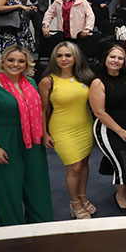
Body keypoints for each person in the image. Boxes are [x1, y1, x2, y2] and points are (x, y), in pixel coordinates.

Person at [0, 45, 53, 226]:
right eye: (11, 60)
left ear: (26, 64)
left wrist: (44, 133)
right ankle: (14, 231)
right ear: (3, 62)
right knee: (8, 189)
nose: (15, 64)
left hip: (32, 142)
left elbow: (38, 111)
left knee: (37, 185)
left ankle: (42, 226)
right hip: (4, 142)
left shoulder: (31, 83)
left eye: (21, 61)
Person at [38, 41, 96, 218]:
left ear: (75, 57)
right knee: (74, 167)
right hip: (62, 129)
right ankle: (75, 202)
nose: (63, 59)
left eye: (68, 55)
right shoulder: (48, 81)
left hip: (85, 126)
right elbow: (43, 110)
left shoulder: (84, 77)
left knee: (84, 163)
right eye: (59, 56)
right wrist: (44, 133)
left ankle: (83, 196)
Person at [90, 44, 126, 214]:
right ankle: (120, 195)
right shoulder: (98, 83)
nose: (116, 61)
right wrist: (120, 131)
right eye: (112, 57)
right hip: (108, 129)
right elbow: (99, 112)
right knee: (121, 163)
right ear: (105, 59)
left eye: (120, 58)